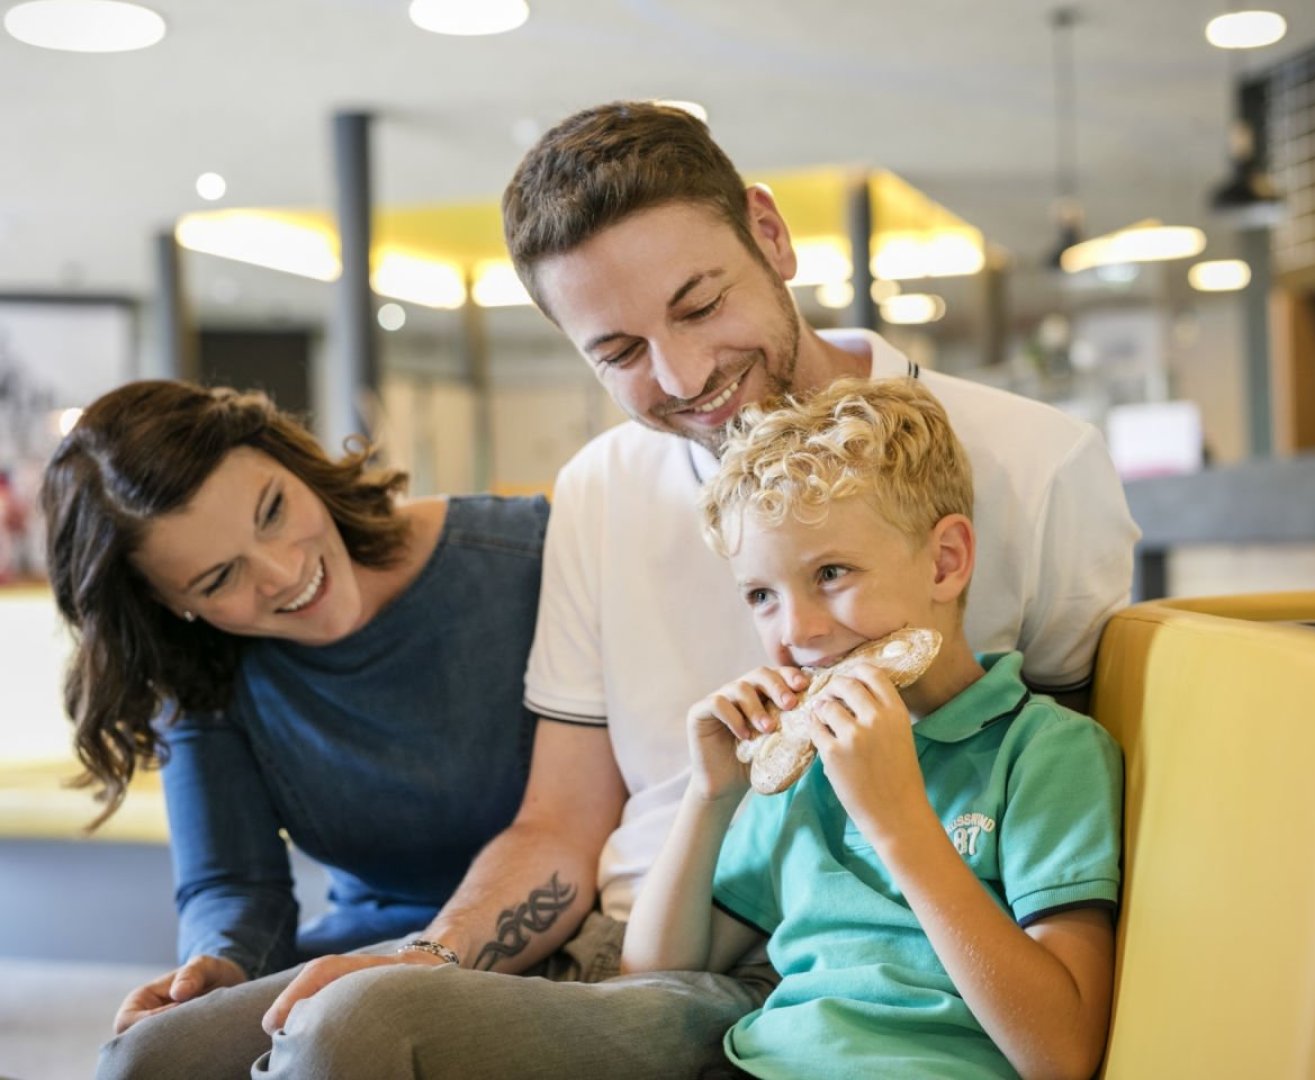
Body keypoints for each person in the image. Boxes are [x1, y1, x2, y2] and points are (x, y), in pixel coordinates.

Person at [97, 102, 1137, 1079]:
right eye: (621, 351)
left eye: (700, 304)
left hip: (795, 965)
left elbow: (1056, 824)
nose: (684, 377)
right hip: (618, 934)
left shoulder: (1034, 467)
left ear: (770, 236)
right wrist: (440, 952)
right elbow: (562, 819)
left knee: (352, 1035)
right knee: (155, 1059)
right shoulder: (600, 486)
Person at [623, 378, 1123, 1079]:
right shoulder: (803, 768)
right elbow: (652, 973)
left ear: (945, 562)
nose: (796, 631)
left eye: (831, 573)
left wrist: (897, 822)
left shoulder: (1044, 751)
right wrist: (710, 798)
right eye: (762, 595)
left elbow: (1060, 1053)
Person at [40, 380, 546, 1051]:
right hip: (363, 950)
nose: (282, 573)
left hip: (549, 928)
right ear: (170, 607)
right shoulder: (202, 671)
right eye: (218, 579)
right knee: (146, 1057)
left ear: (292, 462)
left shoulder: (527, 555)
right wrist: (217, 965)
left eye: (273, 509)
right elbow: (235, 883)